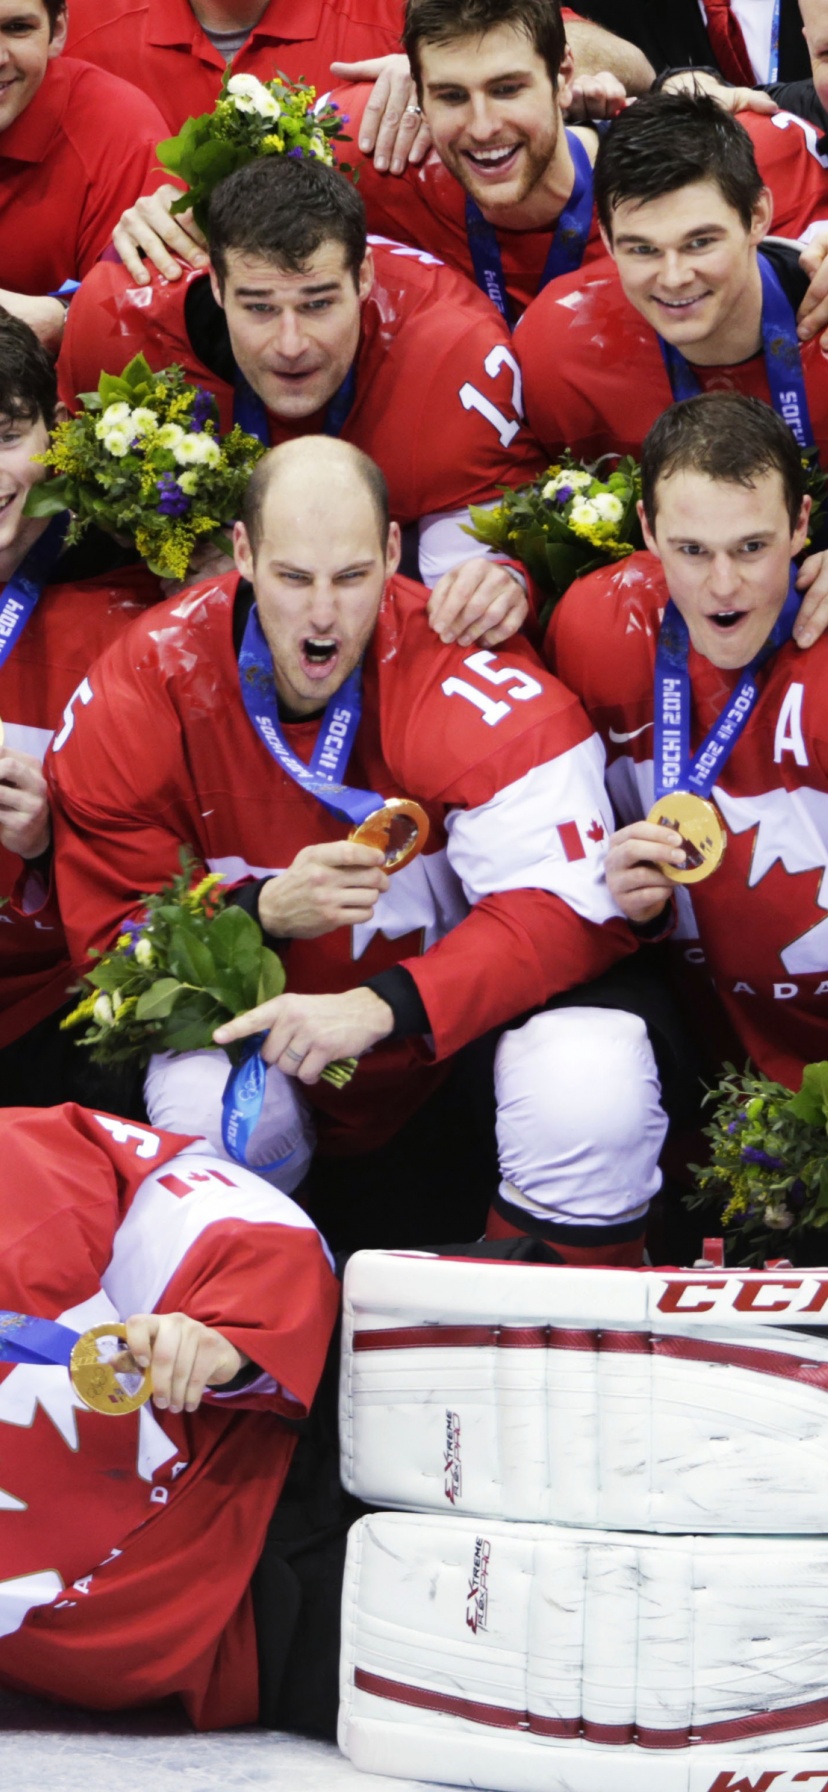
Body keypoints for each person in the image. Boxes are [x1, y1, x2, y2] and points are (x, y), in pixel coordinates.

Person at [45, 435, 662, 1265]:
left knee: (589, 1076)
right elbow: (108, 943)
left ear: (394, 553)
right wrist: (259, 911)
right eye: (294, 578)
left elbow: (574, 909)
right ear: (243, 554)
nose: (324, 616)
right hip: (274, 1060)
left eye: (352, 577)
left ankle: (572, 1347)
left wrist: (381, 1007)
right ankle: (244, 1353)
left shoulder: (458, 660)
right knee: (205, 1097)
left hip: (455, 1064)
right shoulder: (143, 685)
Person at [59, 154, 545, 645]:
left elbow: (461, 613)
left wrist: (501, 582)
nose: (291, 345)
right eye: (260, 307)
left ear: (363, 277)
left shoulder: (452, 361)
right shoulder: (117, 323)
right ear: (218, 286)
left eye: (317, 304)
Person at [111, 0, 828, 331]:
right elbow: (228, 186)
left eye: (508, 89)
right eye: (451, 95)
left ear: (563, 76)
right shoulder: (370, 140)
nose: (482, 127)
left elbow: (635, 63)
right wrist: (173, 207)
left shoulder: (750, 155)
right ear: (414, 91)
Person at [0, 1099, 339, 1729]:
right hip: (242, 1643)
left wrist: (226, 1337)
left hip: (288, 1441)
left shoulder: (18, 1168)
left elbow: (226, 1215)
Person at [548, 390, 828, 1099]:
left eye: (753, 547)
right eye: (692, 550)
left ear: (801, 525)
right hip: (689, 1057)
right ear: (646, 528)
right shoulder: (593, 630)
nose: (724, 586)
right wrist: (506, 581)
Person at [517, 91, 828, 521]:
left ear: (757, 216)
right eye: (642, 249)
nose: (674, 277)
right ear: (606, 239)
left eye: (700, 242)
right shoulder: (555, 345)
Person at [0, 312, 160, 1112]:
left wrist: (47, 847)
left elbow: (189, 865)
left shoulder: (134, 613)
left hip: (64, 1004)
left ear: (53, 433)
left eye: (5, 433)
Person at [0, 0, 175, 338]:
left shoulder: (119, 133)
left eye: (17, 27)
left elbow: (151, 322)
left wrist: (64, 319)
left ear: (58, 31)